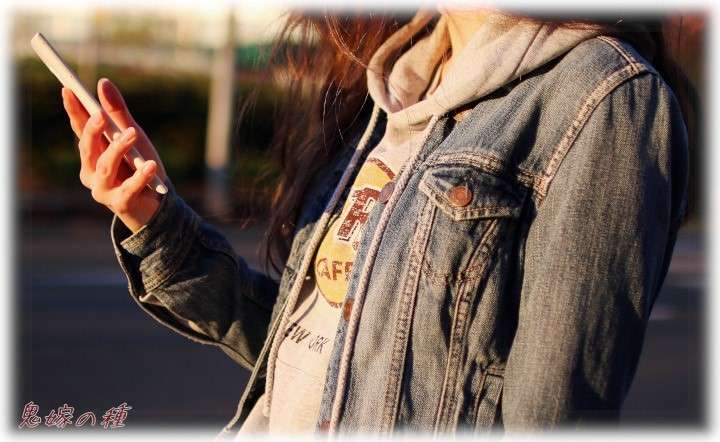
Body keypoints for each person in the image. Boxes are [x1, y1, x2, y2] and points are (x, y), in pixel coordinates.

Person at [60, 5, 690, 437]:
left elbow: (553, 418)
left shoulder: (606, 100)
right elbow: (322, 354)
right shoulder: (395, 86)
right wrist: (154, 218)